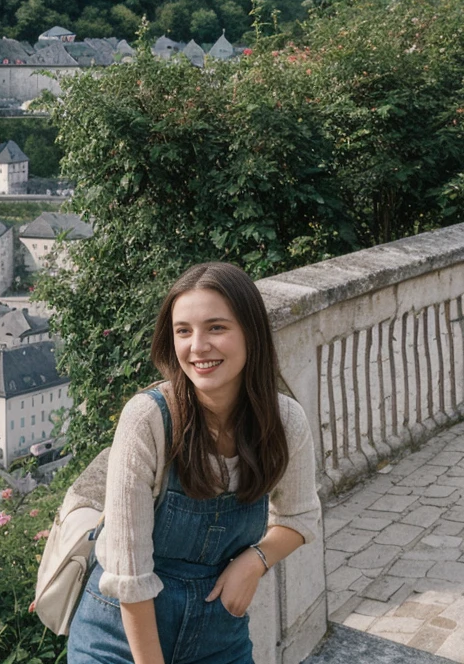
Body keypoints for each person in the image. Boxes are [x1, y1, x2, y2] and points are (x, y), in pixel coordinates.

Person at [67, 262, 321, 664]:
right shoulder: (148, 420)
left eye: (216, 327)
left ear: (251, 334)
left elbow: (301, 515)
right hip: (118, 637)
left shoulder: (285, 421)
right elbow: (130, 578)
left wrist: (255, 561)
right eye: (183, 331)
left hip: (218, 638)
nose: (197, 346)